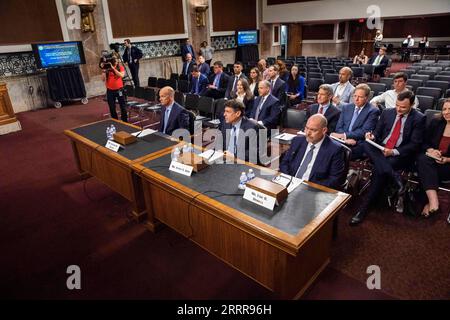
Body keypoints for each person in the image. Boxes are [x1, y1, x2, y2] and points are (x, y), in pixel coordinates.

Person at [350, 91, 425, 225]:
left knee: (380, 171)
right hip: (380, 148)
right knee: (366, 143)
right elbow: (377, 134)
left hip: (399, 153)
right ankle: (395, 178)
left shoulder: (419, 118)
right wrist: (372, 137)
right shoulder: (387, 112)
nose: (398, 109)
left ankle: (363, 209)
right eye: (397, 105)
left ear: (412, 105)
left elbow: (415, 144)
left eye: (403, 107)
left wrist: (394, 151)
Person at [280, 114, 346, 190]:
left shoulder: (335, 149)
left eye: (313, 130)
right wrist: (289, 180)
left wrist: (308, 187)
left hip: (312, 190)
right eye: (307, 128)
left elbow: (335, 180)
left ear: (324, 130)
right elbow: (284, 163)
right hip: (289, 184)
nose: (308, 133)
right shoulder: (297, 141)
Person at [416, 99, 450, 217]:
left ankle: (427, 203)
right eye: (444, 109)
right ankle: (433, 201)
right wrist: (431, 150)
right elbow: (424, 142)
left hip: (447, 166)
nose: (446, 112)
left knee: (424, 167)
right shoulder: (436, 122)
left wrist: (447, 159)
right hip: (431, 161)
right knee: (423, 159)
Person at [332, 83, 380, 160]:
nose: (356, 99)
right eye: (355, 96)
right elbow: (339, 127)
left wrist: (344, 135)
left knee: (338, 155)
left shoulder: (373, 111)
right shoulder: (346, 107)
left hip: (357, 143)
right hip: (342, 140)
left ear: (366, 98)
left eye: (360, 97)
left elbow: (364, 131)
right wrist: (344, 138)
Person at [102, 57, 127, 122]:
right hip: (110, 90)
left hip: (119, 90)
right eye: (115, 61)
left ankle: (125, 120)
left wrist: (113, 69)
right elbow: (102, 79)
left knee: (123, 107)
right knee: (112, 107)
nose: (117, 62)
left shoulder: (120, 67)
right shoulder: (107, 68)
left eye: (117, 61)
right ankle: (115, 121)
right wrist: (103, 70)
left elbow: (121, 75)